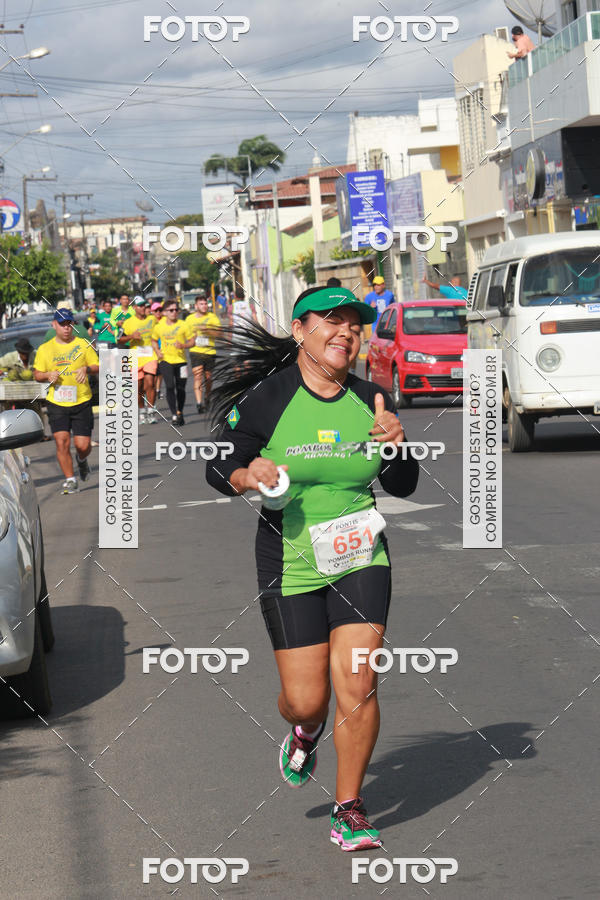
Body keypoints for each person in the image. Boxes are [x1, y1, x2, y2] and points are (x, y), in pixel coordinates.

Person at [205, 285, 419, 851]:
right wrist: (248, 476)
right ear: (300, 331)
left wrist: (397, 446)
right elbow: (219, 463)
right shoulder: (268, 399)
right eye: (331, 320)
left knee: (359, 681)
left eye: (354, 323)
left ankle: (349, 807)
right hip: (290, 561)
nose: (345, 331)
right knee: (307, 698)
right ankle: (304, 730)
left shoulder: (371, 399)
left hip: (360, 555)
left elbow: (401, 483)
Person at [33, 308, 99, 494]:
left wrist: (86, 369)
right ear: (54, 325)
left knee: (82, 445)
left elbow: (97, 365)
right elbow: (37, 374)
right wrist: (47, 375)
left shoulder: (83, 344)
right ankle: (70, 479)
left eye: (69, 324)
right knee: (61, 441)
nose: (66, 328)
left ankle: (81, 460)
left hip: (82, 400)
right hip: (57, 402)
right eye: (62, 324)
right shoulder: (45, 349)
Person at [119, 297, 158, 424]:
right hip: (135, 357)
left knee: (150, 382)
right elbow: (119, 339)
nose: (143, 308)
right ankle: (142, 410)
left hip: (150, 356)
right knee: (138, 387)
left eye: (144, 306)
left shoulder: (152, 319)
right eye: (140, 306)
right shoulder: (128, 322)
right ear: (134, 307)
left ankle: (151, 411)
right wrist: (131, 336)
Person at [151, 300, 189, 426]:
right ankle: (173, 414)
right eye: (171, 310)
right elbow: (153, 340)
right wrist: (157, 351)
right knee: (170, 386)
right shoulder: (159, 326)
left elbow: (192, 341)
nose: (174, 312)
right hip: (165, 360)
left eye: (176, 310)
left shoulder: (183, 324)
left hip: (181, 361)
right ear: (165, 312)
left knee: (181, 388)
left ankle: (180, 412)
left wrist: (183, 345)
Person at [184, 293, 221, 414]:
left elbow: (219, 334)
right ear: (196, 306)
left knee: (209, 377)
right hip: (196, 351)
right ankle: (199, 403)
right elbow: (184, 335)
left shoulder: (212, 317)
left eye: (205, 303)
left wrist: (208, 330)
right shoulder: (189, 319)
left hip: (210, 350)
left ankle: (207, 397)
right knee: (198, 375)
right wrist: (190, 339)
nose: (204, 306)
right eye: (201, 304)